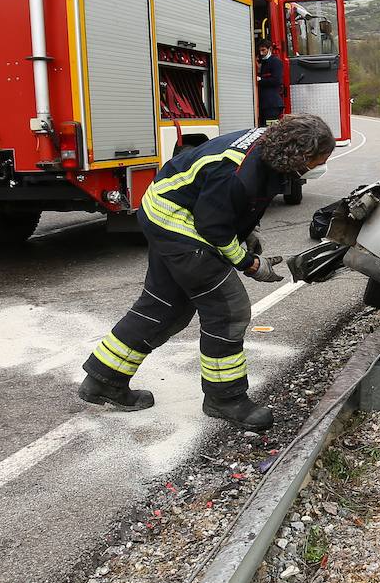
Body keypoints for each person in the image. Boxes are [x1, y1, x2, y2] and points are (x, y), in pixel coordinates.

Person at [78, 115, 336, 430]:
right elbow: (213, 228)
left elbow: (231, 206)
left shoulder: (271, 145)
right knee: (228, 310)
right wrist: (251, 264)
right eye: (313, 163)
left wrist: (247, 230)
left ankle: (104, 380)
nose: (313, 169)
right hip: (177, 222)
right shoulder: (239, 172)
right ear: (296, 155)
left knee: (164, 307)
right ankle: (224, 399)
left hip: (164, 207)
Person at [256, 39, 285, 126]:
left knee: (271, 130)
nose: (261, 53)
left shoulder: (275, 62)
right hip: (265, 105)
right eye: (260, 51)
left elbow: (277, 81)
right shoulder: (263, 62)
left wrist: (260, 80)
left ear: (270, 49)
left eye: (263, 50)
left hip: (272, 104)